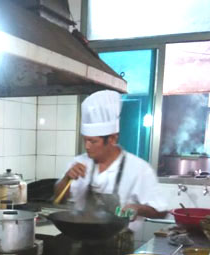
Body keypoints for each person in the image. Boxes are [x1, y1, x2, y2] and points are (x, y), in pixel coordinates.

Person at [53, 90, 168, 223]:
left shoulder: (138, 169)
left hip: (120, 236)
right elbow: (58, 199)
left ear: (112, 139)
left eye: (93, 141)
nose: (87, 146)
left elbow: (161, 211)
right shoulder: (79, 162)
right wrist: (67, 178)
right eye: (85, 140)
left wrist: (137, 208)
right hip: (80, 233)